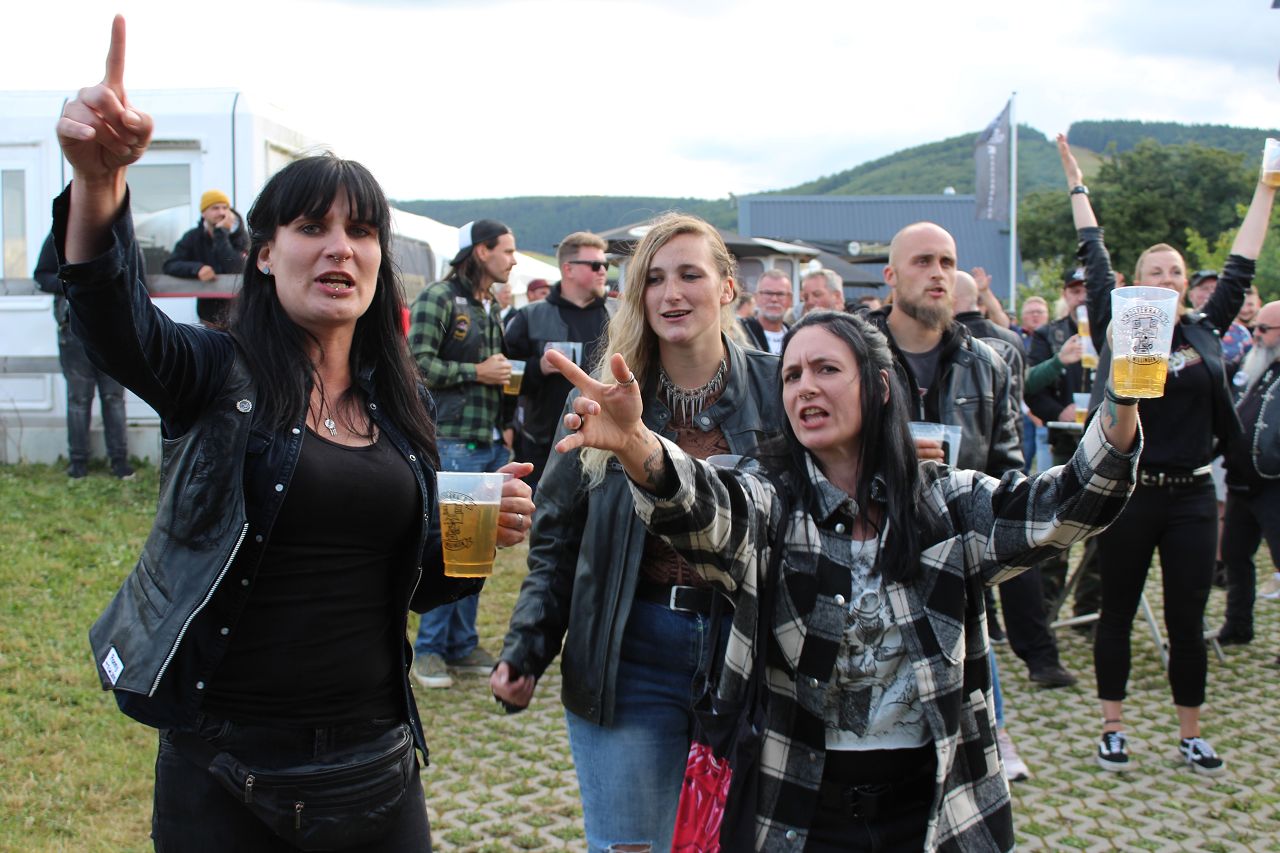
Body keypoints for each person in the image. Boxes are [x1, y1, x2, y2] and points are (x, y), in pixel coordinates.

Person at [58, 18, 535, 851]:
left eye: (361, 231)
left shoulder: (403, 406)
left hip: (376, 766)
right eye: (312, 228)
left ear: (380, 258)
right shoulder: (218, 375)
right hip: (226, 772)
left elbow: (412, 586)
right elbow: (115, 324)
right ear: (265, 254)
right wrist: (99, 186)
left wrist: (473, 546)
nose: (339, 248)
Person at [546, 309, 1139, 851]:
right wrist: (636, 444)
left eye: (826, 369)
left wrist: (1125, 391)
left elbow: (1068, 504)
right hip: (800, 808)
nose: (805, 386)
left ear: (878, 387)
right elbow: (703, 508)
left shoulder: (946, 504)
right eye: (792, 375)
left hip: (936, 809)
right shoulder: (770, 501)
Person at [492, 213, 788, 853]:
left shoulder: (778, 388)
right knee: (629, 846)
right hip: (631, 650)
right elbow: (557, 536)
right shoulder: (600, 395)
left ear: (727, 287)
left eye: (689, 275)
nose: (671, 293)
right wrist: (528, 646)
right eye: (653, 279)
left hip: (749, 649)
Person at [1059, 132, 1277, 776]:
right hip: (1130, 492)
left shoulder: (1207, 330)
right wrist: (1076, 182)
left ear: (1186, 286)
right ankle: (1112, 727)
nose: (1168, 279)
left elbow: (1242, 261)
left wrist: (1266, 187)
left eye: (1177, 272)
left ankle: (1191, 734)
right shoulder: (1120, 323)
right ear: (1138, 283)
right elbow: (1093, 250)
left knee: (1188, 619)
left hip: (1191, 495)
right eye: (1156, 272)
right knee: (1117, 612)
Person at [407, 218, 516, 689]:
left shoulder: (488, 305)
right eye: (507, 250)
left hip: (486, 441)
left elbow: (498, 372)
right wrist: (477, 371)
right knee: (451, 546)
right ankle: (430, 650)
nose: (513, 259)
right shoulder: (438, 297)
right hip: (450, 439)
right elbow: (415, 364)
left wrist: (506, 424)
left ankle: (462, 644)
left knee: (477, 548)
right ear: (481, 251)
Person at [503, 231, 612, 493]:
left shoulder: (618, 316)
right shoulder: (530, 317)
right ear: (568, 269)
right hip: (545, 444)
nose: (603, 271)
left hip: (605, 444)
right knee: (542, 513)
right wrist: (537, 368)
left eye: (605, 265)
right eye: (595, 265)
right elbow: (506, 378)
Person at [34, 231, 134, 480]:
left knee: (113, 397)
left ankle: (119, 462)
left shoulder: (118, 235)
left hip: (112, 331)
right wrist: (72, 283)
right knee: (79, 398)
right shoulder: (58, 237)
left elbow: (135, 277)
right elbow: (41, 276)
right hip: (73, 330)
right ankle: (78, 463)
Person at [1218, 301, 1280, 648]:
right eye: (1256, 327)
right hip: (1241, 480)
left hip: (1274, 484)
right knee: (1235, 555)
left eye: (1264, 329)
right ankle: (1238, 625)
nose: (1256, 335)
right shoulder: (1253, 364)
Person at [162, 187, 248, 330]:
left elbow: (237, 267)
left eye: (225, 208)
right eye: (215, 208)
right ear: (203, 212)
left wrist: (221, 233)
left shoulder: (240, 236)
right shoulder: (193, 237)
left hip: (240, 318)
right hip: (208, 320)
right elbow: (170, 265)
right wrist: (197, 269)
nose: (221, 212)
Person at [740, 267, 792, 354]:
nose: (774, 299)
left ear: (790, 299)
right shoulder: (740, 334)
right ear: (756, 297)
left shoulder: (797, 336)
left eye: (780, 294)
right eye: (768, 293)